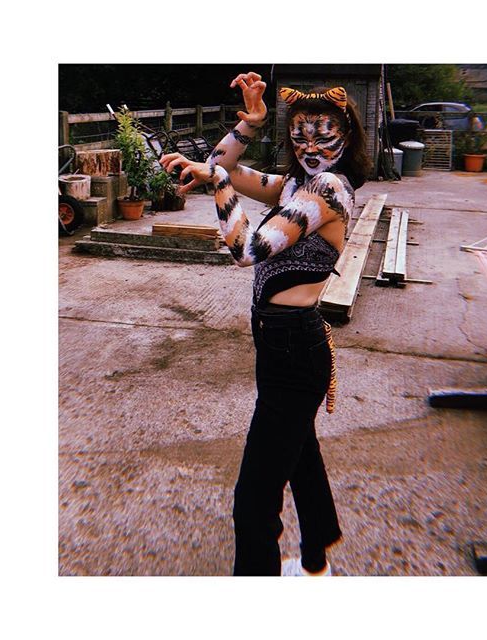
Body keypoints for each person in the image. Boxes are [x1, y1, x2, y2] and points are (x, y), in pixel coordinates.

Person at [160, 71, 371, 576]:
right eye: (300, 135)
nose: (310, 147)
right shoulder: (295, 185)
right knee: (300, 456)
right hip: (282, 346)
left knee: (253, 498)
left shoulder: (327, 190)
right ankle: (317, 561)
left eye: (323, 135)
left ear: (347, 136)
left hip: (295, 349)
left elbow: (247, 249)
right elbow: (223, 167)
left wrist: (217, 185)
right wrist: (251, 122)